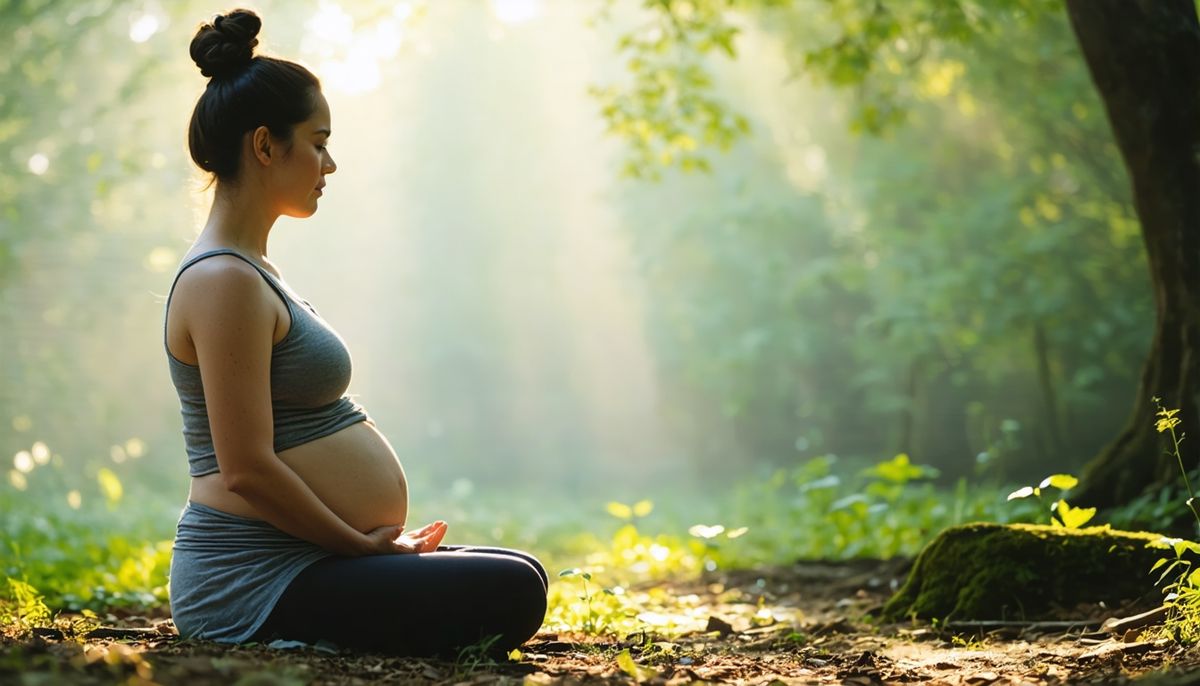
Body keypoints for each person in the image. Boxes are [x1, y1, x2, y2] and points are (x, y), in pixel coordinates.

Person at [164, 9, 547, 656]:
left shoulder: (253, 272)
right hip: (253, 581)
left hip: (306, 557)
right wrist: (359, 542)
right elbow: (246, 469)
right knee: (511, 589)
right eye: (317, 141)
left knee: (525, 571)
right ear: (264, 146)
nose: (329, 163)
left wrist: (372, 543)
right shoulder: (221, 282)